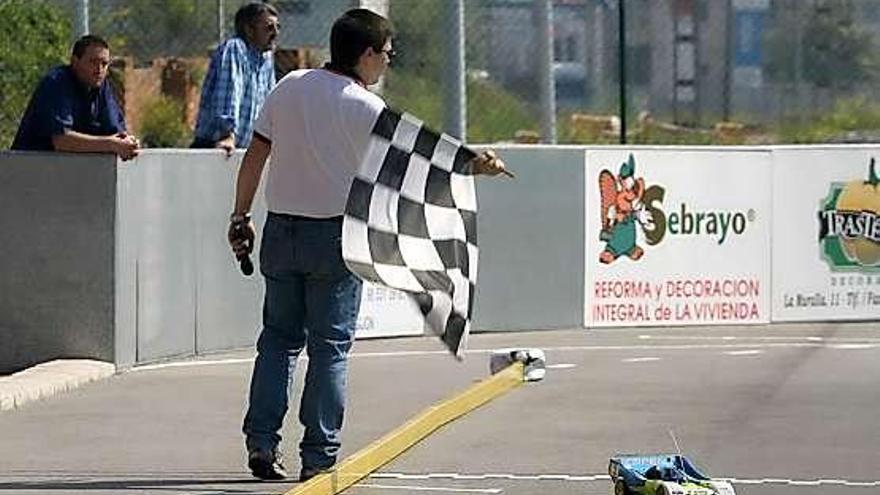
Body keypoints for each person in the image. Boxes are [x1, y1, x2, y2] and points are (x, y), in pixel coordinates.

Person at [227, 8, 508, 482]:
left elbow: (256, 155)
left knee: (277, 341)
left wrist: (240, 215)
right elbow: (427, 151)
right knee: (330, 348)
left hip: (280, 230)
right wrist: (477, 163)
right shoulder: (364, 107)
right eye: (386, 55)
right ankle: (318, 457)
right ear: (366, 54)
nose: (387, 64)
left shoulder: (289, 84)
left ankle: (261, 444)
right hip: (333, 237)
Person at [11, 34, 140, 160]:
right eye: (93, 62)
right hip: (30, 168)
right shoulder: (57, 82)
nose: (99, 70)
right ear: (75, 62)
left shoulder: (101, 86)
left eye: (104, 64)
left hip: (69, 171)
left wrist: (127, 142)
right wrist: (111, 144)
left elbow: (115, 132)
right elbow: (62, 141)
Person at [191, 2, 279, 155]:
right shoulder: (235, 49)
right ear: (249, 30)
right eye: (269, 27)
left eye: (278, 27)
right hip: (216, 146)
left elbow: (268, 103)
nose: (276, 33)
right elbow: (229, 92)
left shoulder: (266, 59)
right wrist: (227, 134)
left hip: (243, 150)